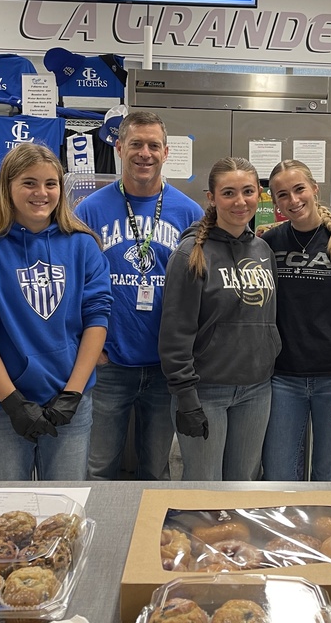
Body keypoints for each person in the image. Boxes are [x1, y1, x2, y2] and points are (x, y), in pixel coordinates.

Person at [0, 143, 112, 481]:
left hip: (68, 400)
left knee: (65, 511)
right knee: (6, 513)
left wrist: (73, 393)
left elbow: (97, 318)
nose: (42, 192)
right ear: (7, 187)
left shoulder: (83, 245)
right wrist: (12, 402)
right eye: (29, 183)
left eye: (51, 184)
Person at [75, 110, 202, 481]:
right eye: (135, 144)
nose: (144, 153)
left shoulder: (189, 212)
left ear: (165, 153)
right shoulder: (90, 209)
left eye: (153, 145)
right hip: (108, 362)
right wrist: (90, 348)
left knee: (156, 471)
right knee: (97, 468)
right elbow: (78, 284)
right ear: (119, 148)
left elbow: (197, 289)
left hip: (165, 368)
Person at [159, 157, 280, 481]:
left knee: (244, 486)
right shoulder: (190, 254)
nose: (240, 202)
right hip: (205, 392)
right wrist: (186, 398)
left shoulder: (264, 251)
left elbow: (268, 319)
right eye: (228, 193)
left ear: (259, 195)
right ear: (211, 198)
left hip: (256, 390)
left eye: (248, 191)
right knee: (205, 493)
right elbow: (174, 333)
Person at [260, 160, 331, 482]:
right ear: (275, 202)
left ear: (314, 190)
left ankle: (323, 533)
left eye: (299, 189)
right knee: (279, 472)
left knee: (328, 472)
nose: (293, 200)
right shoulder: (270, 243)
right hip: (283, 378)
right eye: (283, 195)